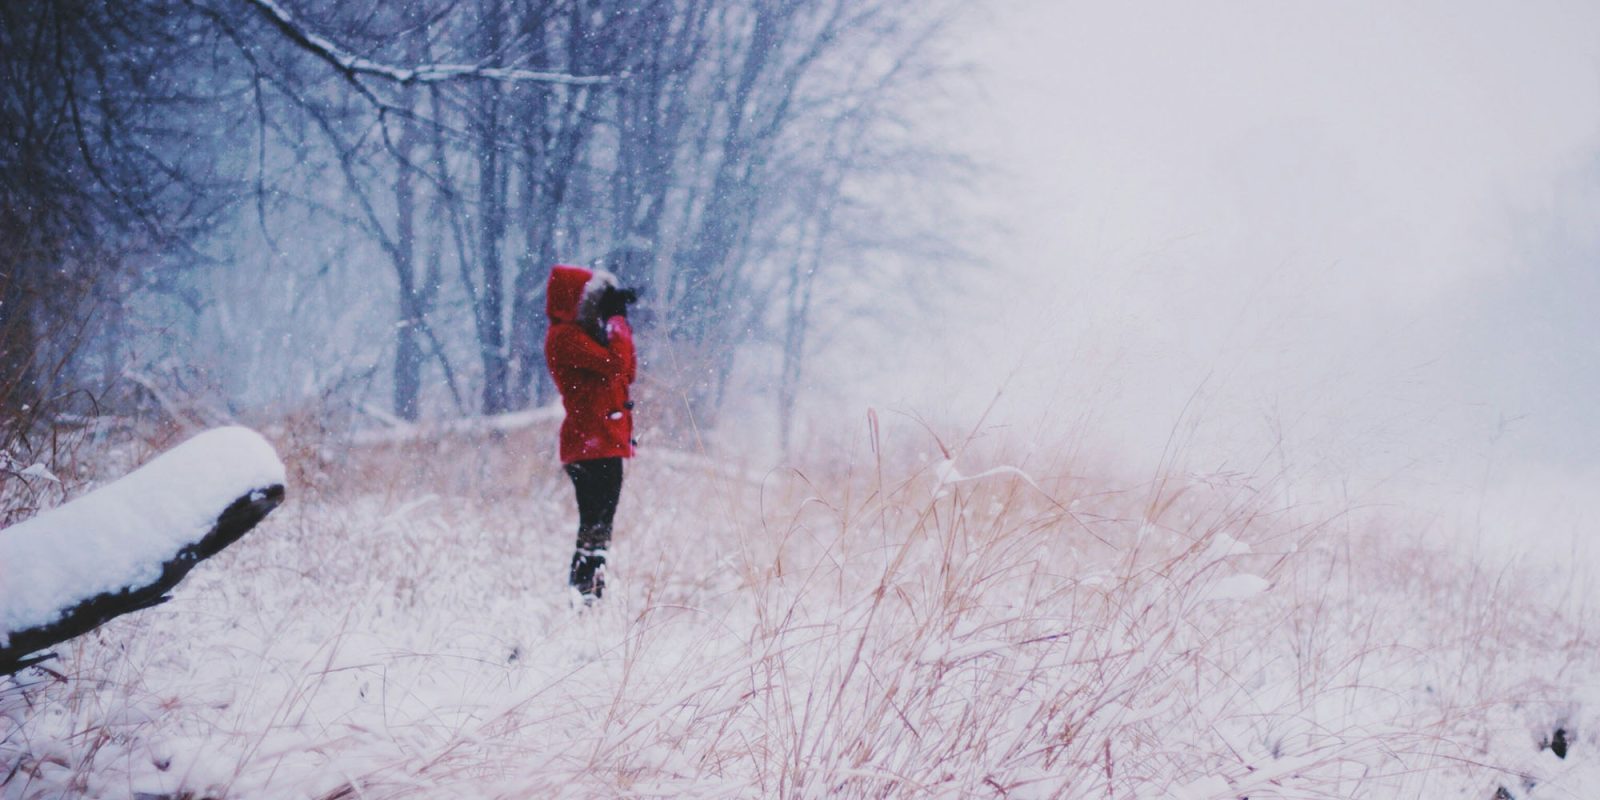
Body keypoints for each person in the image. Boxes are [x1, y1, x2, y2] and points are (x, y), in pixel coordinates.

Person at [544, 263, 637, 602]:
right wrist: (616, 322)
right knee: (595, 525)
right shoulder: (565, 338)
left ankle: (589, 594)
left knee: (600, 527)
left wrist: (616, 324)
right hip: (590, 443)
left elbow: (627, 372)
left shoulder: (582, 338)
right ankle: (584, 595)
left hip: (602, 441)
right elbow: (616, 365)